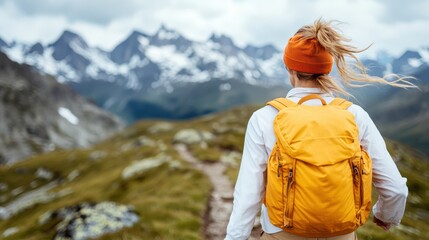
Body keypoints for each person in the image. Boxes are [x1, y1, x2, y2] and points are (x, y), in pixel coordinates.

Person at [225, 19, 414, 240]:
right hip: (342, 234)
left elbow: (248, 194)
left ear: (290, 69)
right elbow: (396, 189)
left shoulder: (265, 118)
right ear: (327, 69)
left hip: (282, 233)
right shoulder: (354, 116)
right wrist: (386, 215)